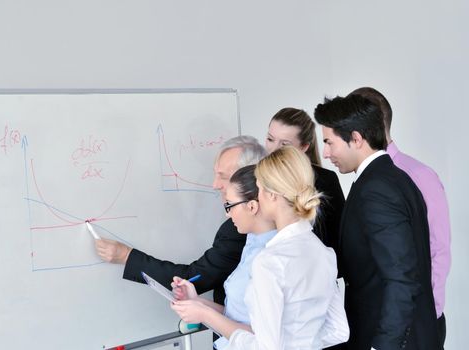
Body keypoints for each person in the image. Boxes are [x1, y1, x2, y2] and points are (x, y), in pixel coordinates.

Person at [172, 146, 349, 349]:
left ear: (272, 195)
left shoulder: (270, 261)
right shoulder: (323, 253)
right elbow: (339, 331)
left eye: (260, 188)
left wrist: (204, 314)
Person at [314, 94, 440, 349]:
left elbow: (401, 277)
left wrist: (384, 345)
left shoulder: (377, 188)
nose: (326, 153)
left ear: (357, 139)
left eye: (329, 142)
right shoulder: (388, 178)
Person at [94, 135, 267, 306]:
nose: (215, 185)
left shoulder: (241, 231)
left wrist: (126, 255)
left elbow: (194, 278)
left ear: (249, 179)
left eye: (223, 176)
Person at [349, 87, 451, 348]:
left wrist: (429, 313)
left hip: (416, 322)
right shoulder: (366, 176)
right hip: (377, 322)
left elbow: (438, 250)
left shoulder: (419, 175)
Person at [171, 164, 277, 349]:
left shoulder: (271, 257)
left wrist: (204, 314)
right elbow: (238, 315)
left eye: (229, 205)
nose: (226, 213)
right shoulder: (252, 242)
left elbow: (263, 338)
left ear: (252, 206)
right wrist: (198, 302)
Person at [265, 108, 345, 253]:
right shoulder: (258, 178)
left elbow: (338, 241)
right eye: (270, 139)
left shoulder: (326, 181)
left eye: (285, 144)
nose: (274, 149)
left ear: (304, 147)